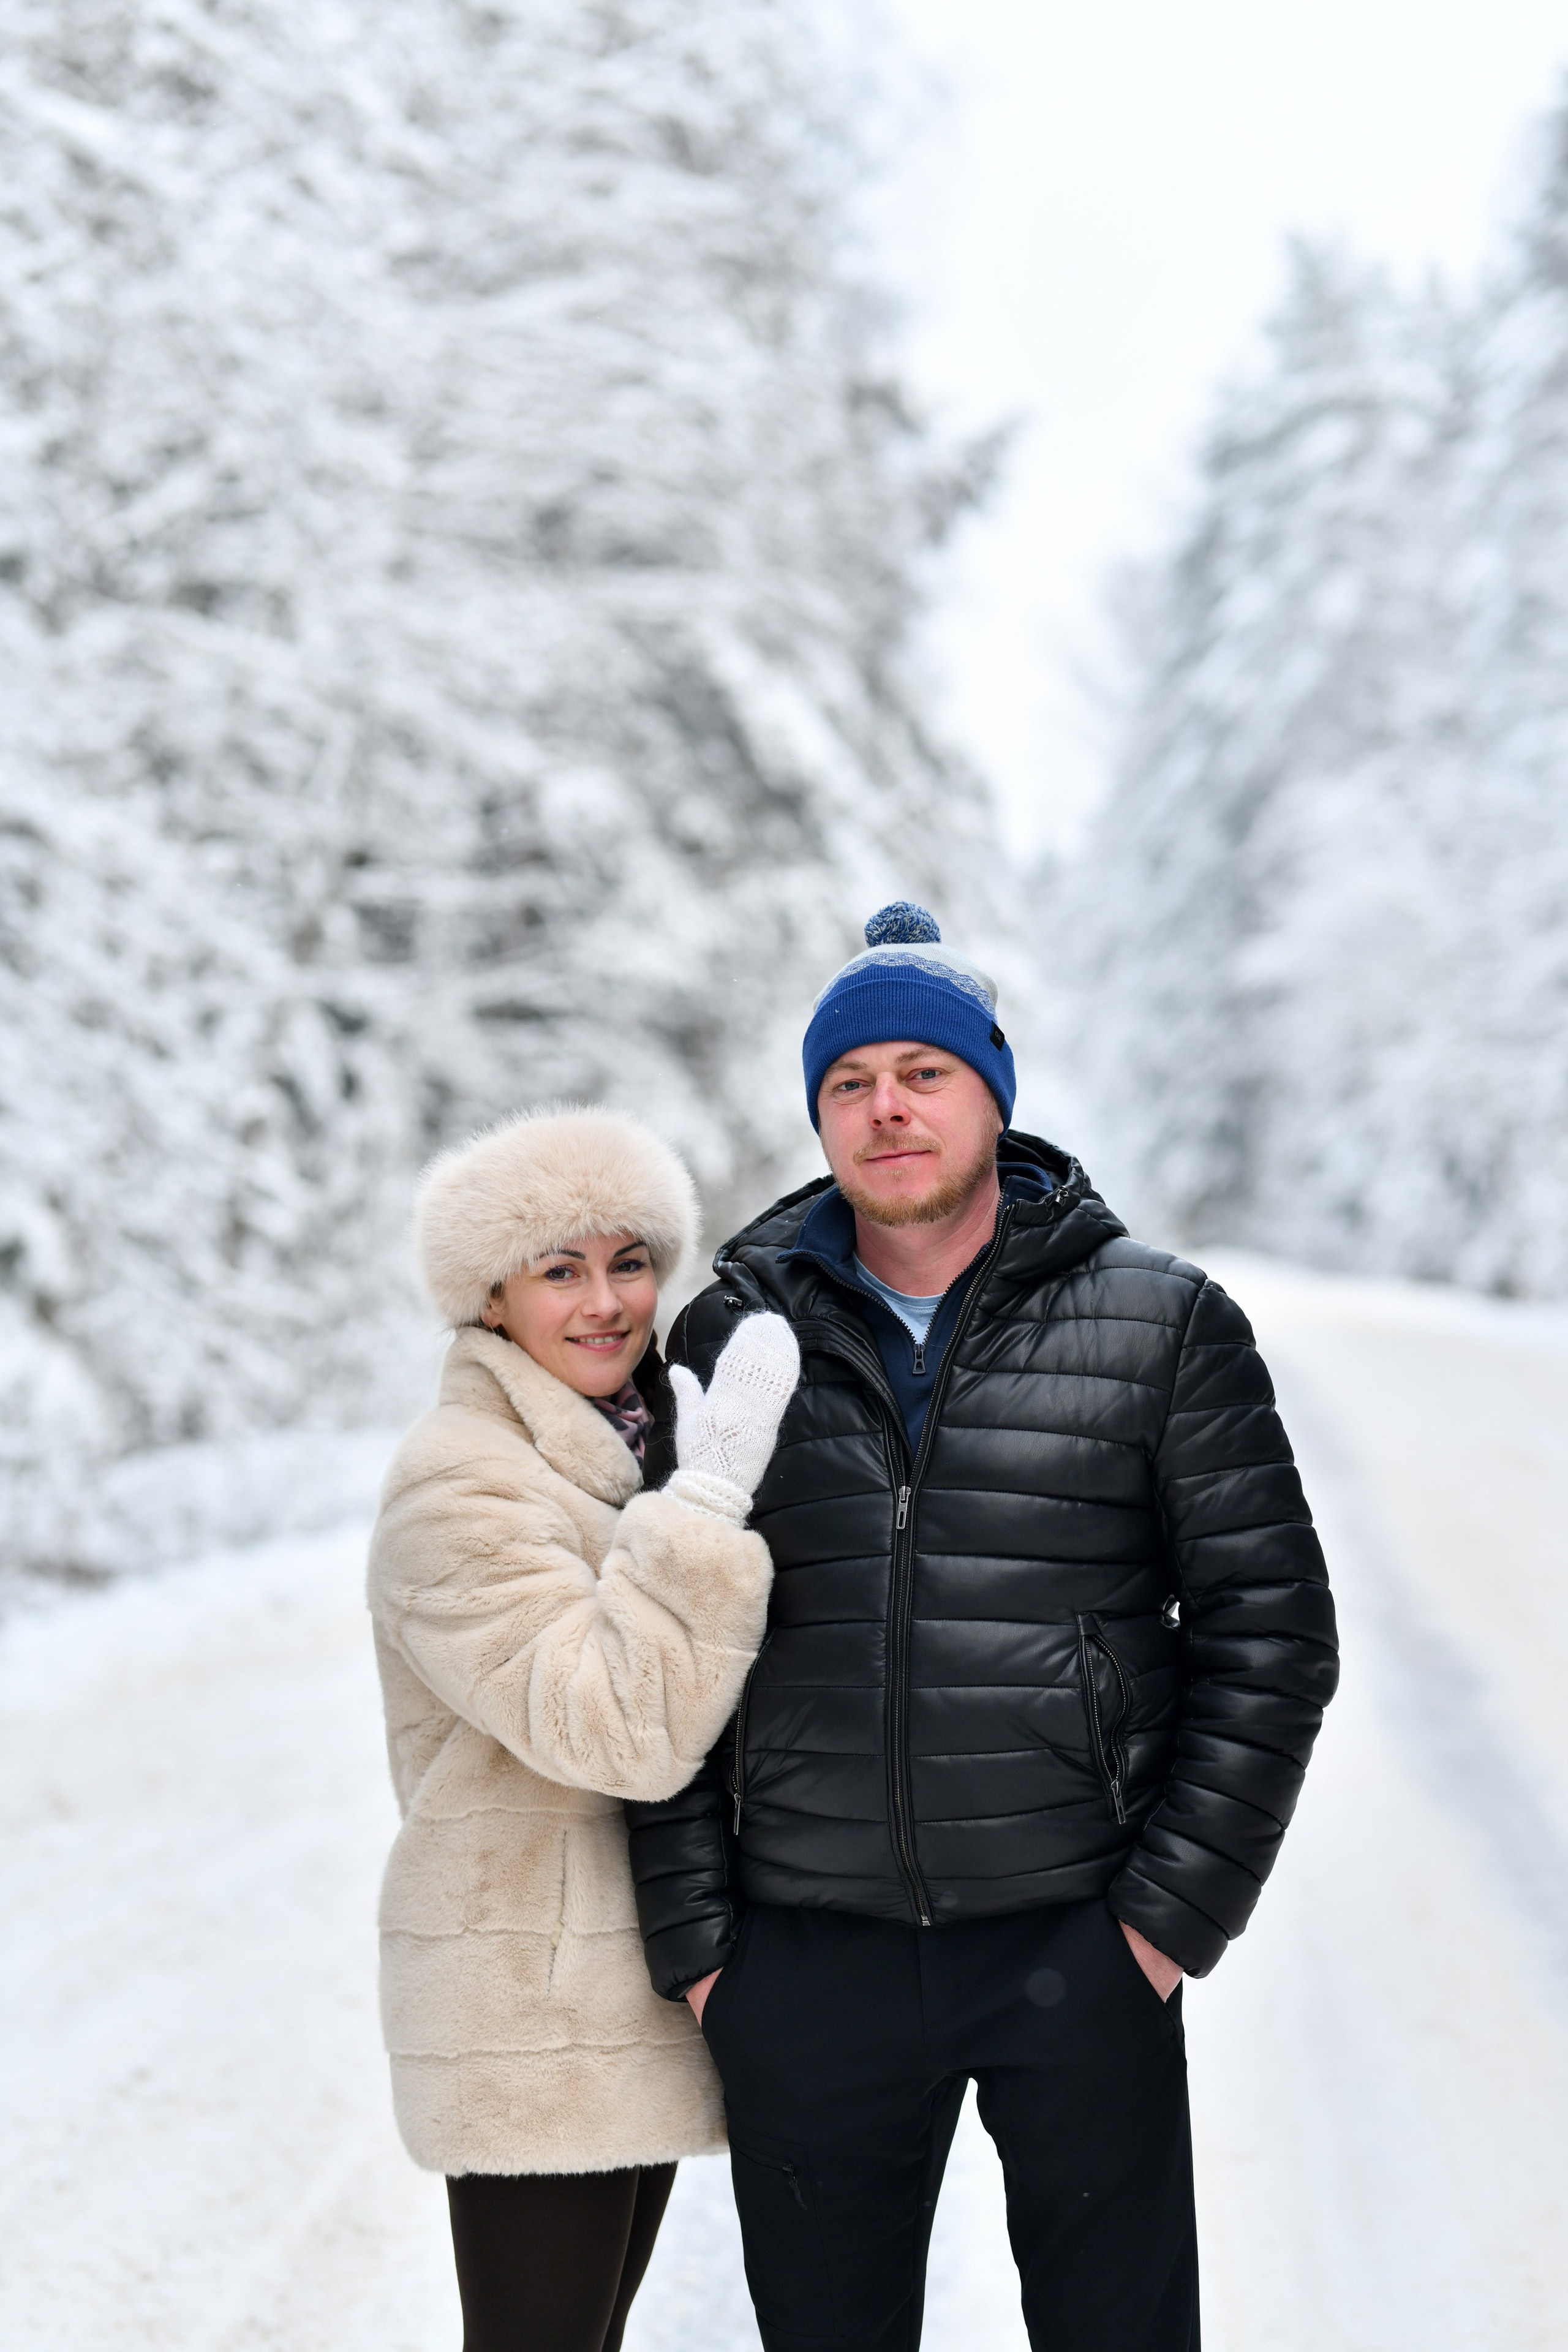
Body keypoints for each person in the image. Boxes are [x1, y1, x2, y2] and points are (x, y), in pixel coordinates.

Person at [628, 904, 1340, 2352]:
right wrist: (704, 1948)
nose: (885, 1107)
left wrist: (1161, 1922)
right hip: (801, 1962)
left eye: (921, 1071)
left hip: (1075, 1948)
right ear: (819, 1117)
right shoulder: (728, 1340)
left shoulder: (1159, 1323)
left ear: (989, 1095)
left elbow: (1272, 1633)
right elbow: (650, 1647)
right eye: (847, 1082)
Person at [368, 1104, 800, 2352]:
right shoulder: (460, 1482)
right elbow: (622, 1731)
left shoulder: (617, 1454)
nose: (604, 1301)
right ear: (490, 1300)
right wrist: (710, 1504)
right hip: (526, 2008)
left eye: (627, 1262)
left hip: (612, 1997)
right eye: (558, 1269)